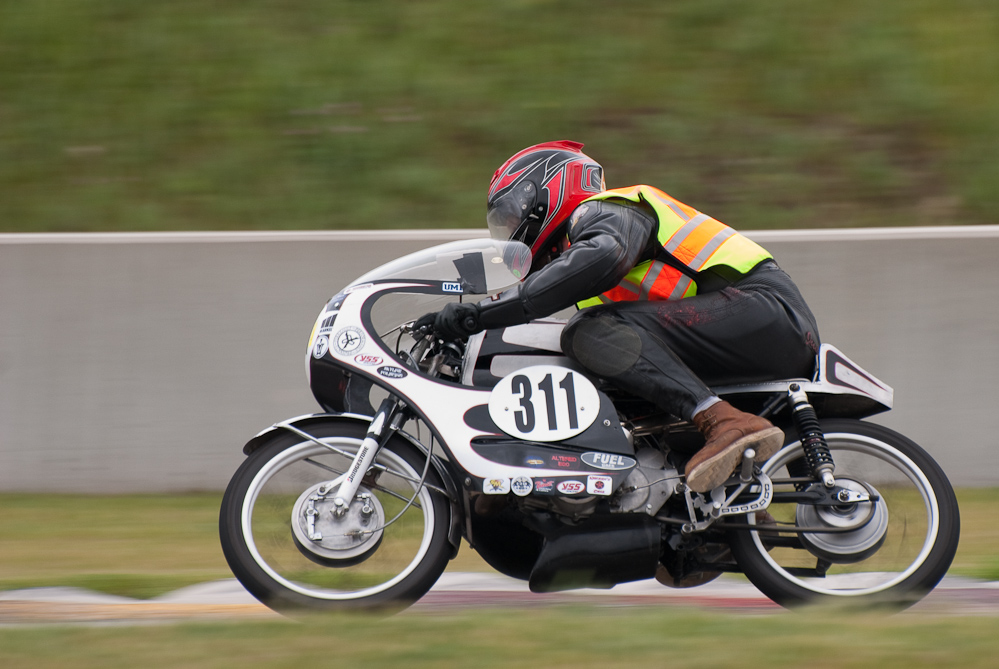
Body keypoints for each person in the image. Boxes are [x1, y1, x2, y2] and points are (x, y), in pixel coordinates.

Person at [419, 140, 820, 493]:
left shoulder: (605, 212)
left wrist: (478, 316)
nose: (509, 232)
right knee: (618, 381)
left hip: (766, 312)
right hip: (734, 334)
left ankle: (725, 421)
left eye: (510, 215)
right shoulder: (584, 271)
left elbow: (601, 257)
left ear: (544, 193)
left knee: (588, 330)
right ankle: (725, 518)